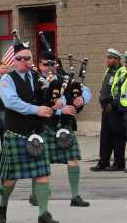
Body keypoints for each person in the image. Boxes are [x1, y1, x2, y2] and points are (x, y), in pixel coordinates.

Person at [0, 37, 59, 223]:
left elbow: (49, 100)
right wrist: (36, 110)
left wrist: (58, 104)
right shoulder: (7, 79)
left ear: (31, 60)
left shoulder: (39, 78)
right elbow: (11, 102)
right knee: (10, 180)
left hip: (36, 134)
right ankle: (2, 205)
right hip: (16, 133)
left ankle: (43, 213)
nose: (23, 62)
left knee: (42, 174)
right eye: (19, 58)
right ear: (13, 60)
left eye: (27, 58)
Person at [28, 54, 92, 208]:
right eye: (44, 64)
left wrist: (83, 98)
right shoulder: (34, 82)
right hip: (43, 126)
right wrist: (60, 111)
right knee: (40, 161)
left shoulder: (64, 79)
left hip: (64, 126)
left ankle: (75, 196)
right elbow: (36, 105)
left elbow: (85, 90)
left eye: (51, 64)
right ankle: (35, 194)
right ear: (39, 65)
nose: (48, 67)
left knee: (73, 159)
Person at [92, 49, 126, 171]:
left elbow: (122, 90)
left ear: (117, 59)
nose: (107, 60)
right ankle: (103, 161)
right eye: (107, 58)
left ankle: (119, 163)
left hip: (115, 109)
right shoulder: (108, 71)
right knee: (105, 136)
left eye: (110, 58)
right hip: (105, 108)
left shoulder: (122, 72)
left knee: (117, 136)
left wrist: (113, 103)